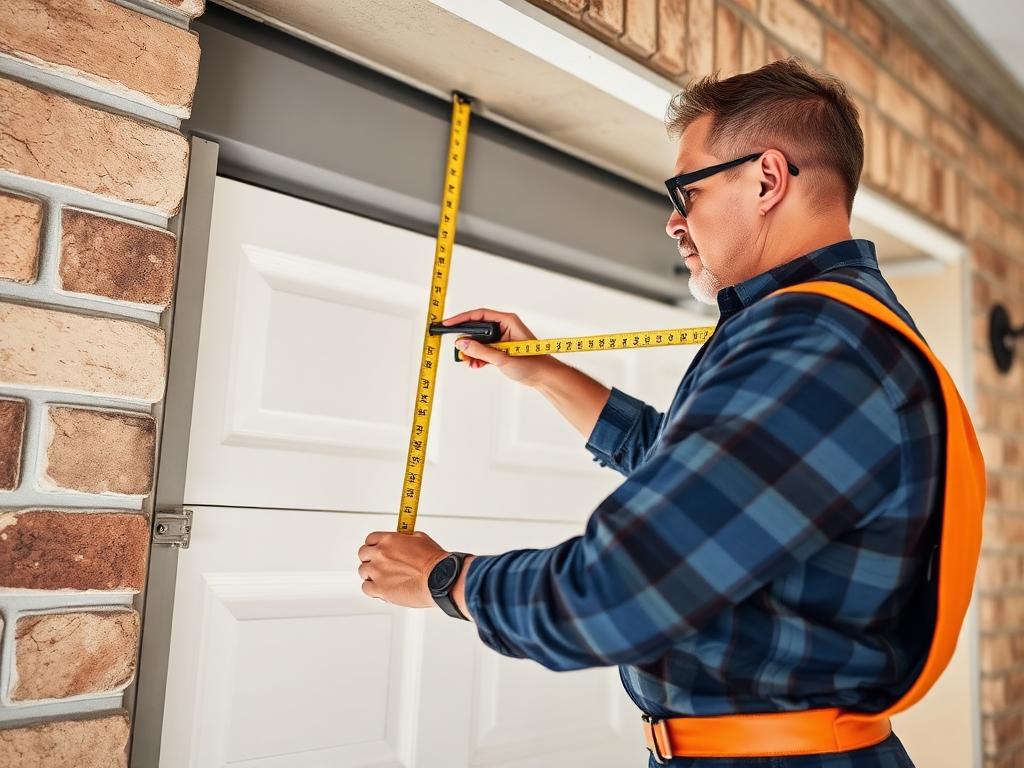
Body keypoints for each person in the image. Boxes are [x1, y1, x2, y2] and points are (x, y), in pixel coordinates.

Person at [357, 58, 979, 767]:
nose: (674, 221)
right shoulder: (829, 327)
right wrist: (544, 374)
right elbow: (707, 485)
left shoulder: (811, 341)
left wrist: (446, 579)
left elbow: (621, 590)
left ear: (767, 179)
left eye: (687, 190)